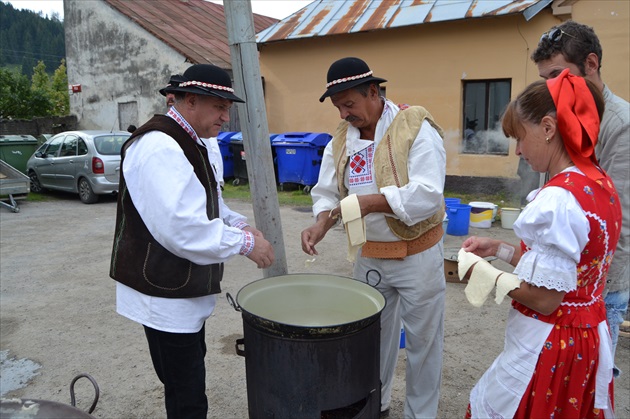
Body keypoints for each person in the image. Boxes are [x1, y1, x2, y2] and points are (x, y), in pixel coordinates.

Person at [109, 64, 274, 418]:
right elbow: (182, 228)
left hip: (177, 292)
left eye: (227, 108)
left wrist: (239, 223)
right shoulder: (160, 147)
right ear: (191, 100)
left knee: (186, 384)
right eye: (220, 107)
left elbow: (206, 198)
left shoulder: (188, 140)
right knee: (187, 398)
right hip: (165, 295)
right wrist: (245, 245)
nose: (226, 117)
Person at [459, 70, 621, 418]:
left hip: (552, 344)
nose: (518, 150)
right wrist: (499, 250)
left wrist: (482, 272)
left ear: (548, 128)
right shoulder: (598, 182)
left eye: (520, 137)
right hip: (586, 337)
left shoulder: (558, 200)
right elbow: (561, 270)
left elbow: (546, 298)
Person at [300, 57, 447, 418]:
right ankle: (373, 406)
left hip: (418, 255)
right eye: (338, 107)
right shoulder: (340, 140)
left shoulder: (415, 126)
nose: (344, 114)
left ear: (373, 92)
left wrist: (370, 204)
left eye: (349, 104)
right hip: (370, 255)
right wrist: (321, 222)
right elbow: (328, 192)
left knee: (423, 344)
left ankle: (420, 414)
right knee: (371, 339)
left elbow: (428, 193)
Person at [532, 20, 629, 376]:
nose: (551, 88)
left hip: (594, 293)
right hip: (557, 284)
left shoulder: (621, 125)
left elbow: (621, 224)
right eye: (545, 80)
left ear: (591, 64)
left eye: (558, 75)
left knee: (586, 388)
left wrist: (593, 296)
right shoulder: (559, 114)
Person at [160, 74, 225, 187]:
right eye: (167, 93)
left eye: (174, 94)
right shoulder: (163, 136)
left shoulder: (202, 127)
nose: (170, 97)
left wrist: (218, 179)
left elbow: (213, 152)